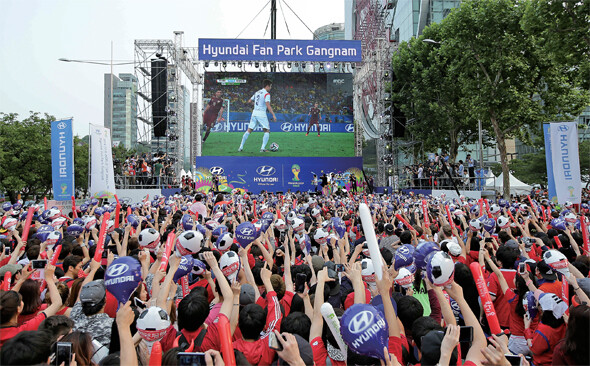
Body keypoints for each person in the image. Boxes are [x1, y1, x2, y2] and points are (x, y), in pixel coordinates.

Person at [239, 79, 277, 153]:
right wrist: (273, 115)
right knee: (267, 131)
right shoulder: (267, 94)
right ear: (267, 86)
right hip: (261, 114)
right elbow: (268, 105)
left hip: (254, 113)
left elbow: (249, 101)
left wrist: (256, 104)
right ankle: (262, 148)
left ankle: (240, 147)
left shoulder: (257, 92)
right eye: (270, 86)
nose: (271, 88)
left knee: (249, 130)